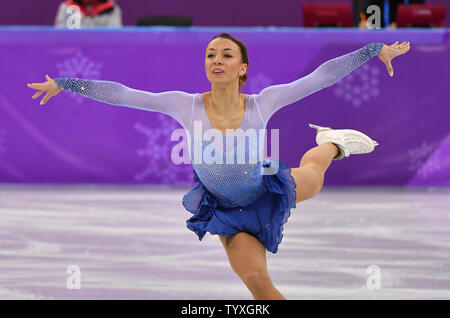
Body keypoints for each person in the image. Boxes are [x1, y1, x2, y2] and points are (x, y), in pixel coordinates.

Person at [27, 34, 410, 299]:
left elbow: (320, 77)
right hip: (226, 211)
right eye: (210, 54)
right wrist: (65, 83)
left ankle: (332, 142)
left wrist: (374, 49)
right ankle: (329, 144)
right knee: (258, 282)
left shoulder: (264, 102)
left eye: (226, 55)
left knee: (313, 175)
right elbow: (125, 95)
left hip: (267, 188)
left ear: (243, 67)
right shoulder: (185, 104)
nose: (216, 60)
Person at [356, 0, 425, 29]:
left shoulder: (413, 1)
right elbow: (367, 22)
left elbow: (420, 20)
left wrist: (400, 26)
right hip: (381, 42)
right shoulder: (373, 2)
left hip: (406, 40)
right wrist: (366, 24)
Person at [55, 0, 122, 28]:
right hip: (73, 54)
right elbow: (60, 38)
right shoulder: (66, 7)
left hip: (102, 54)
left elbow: (114, 39)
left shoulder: (111, 8)